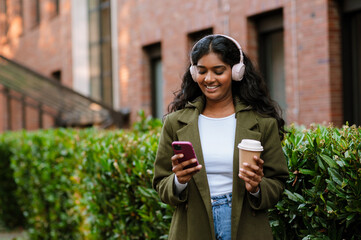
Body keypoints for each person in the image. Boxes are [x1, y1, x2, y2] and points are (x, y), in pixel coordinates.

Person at [152, 34, 289, 240]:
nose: (209, 79)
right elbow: (161, 183)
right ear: (193, 72)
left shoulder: (262, 123)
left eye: (218, 71)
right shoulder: (175, 122)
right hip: (192, 226)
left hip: (246, 226)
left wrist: (256, 187)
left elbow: (277, 183)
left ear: (236, 72)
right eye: (202, 71)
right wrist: (179, 181)